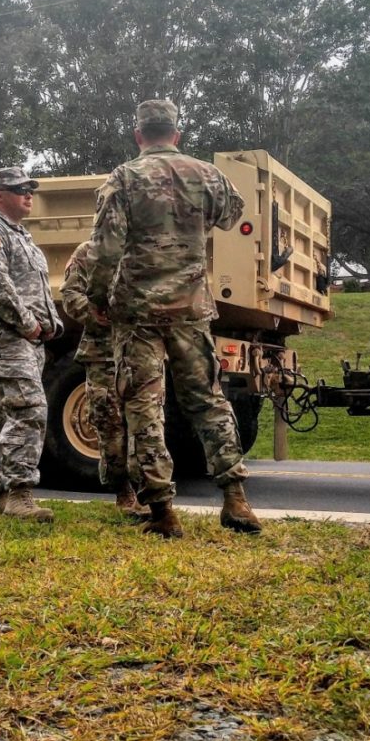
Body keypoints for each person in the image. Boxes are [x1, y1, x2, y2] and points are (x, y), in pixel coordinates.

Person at [86, 99, 261, 539]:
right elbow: (234, 215)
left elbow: (105, 247)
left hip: (138, 313)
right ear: (177, 134)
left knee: (144, 407)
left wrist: (97, 295)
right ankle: (236, 499)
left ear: (139, 135)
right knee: (208, 400)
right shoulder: (207, 175)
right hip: (191, 307)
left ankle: (163, 511)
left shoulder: (124, 177)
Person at [0, 166, 63, 523]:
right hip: (6, 337)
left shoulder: (20, 235)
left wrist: (50, 323)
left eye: (29, 188)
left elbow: (34, 288)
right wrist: (30, 325)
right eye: (18, 189)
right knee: (29, 409)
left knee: (7, 413)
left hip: (24, 339)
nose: (28, 194)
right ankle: (20, 496)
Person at [60, 240, 150, 520]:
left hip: (141, 352)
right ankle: (123, 492)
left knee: (146, 425)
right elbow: (70, 294)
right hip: (102, 354)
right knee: (108, 425)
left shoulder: (145, 250)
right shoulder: (88, 252)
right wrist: (93, 313)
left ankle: (151, 493)